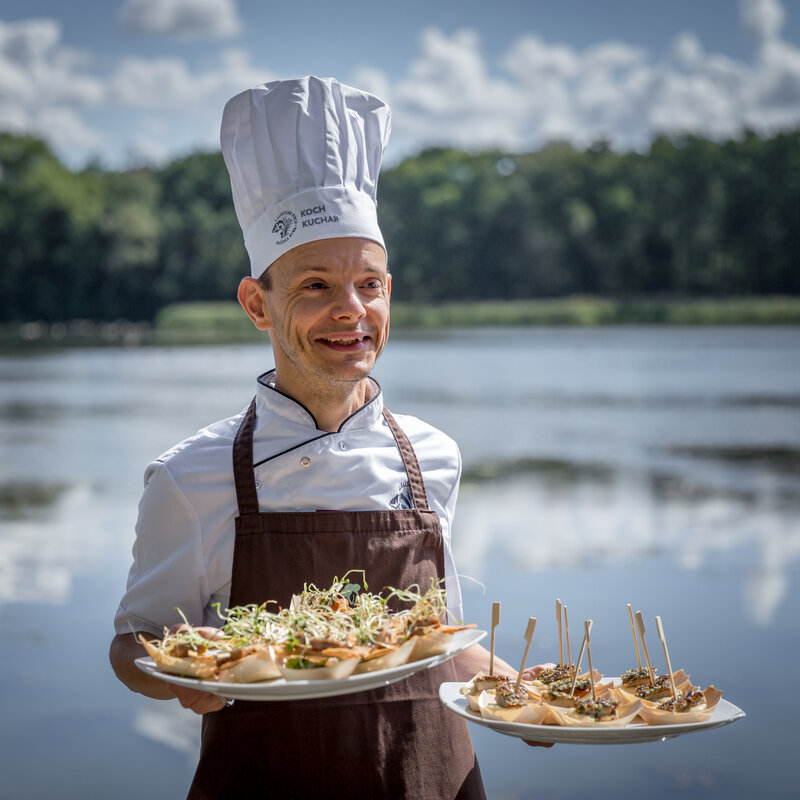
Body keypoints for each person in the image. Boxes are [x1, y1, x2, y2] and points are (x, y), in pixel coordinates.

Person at [109, 76, 533, 800]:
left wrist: (530, 696)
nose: (351, 312)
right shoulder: (192, 478)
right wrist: (182, 675)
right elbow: (133, 642)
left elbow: (437, 647)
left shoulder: (435, 456)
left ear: (389, 291)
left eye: (369, 285)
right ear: (256, 304)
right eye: (314, 286)